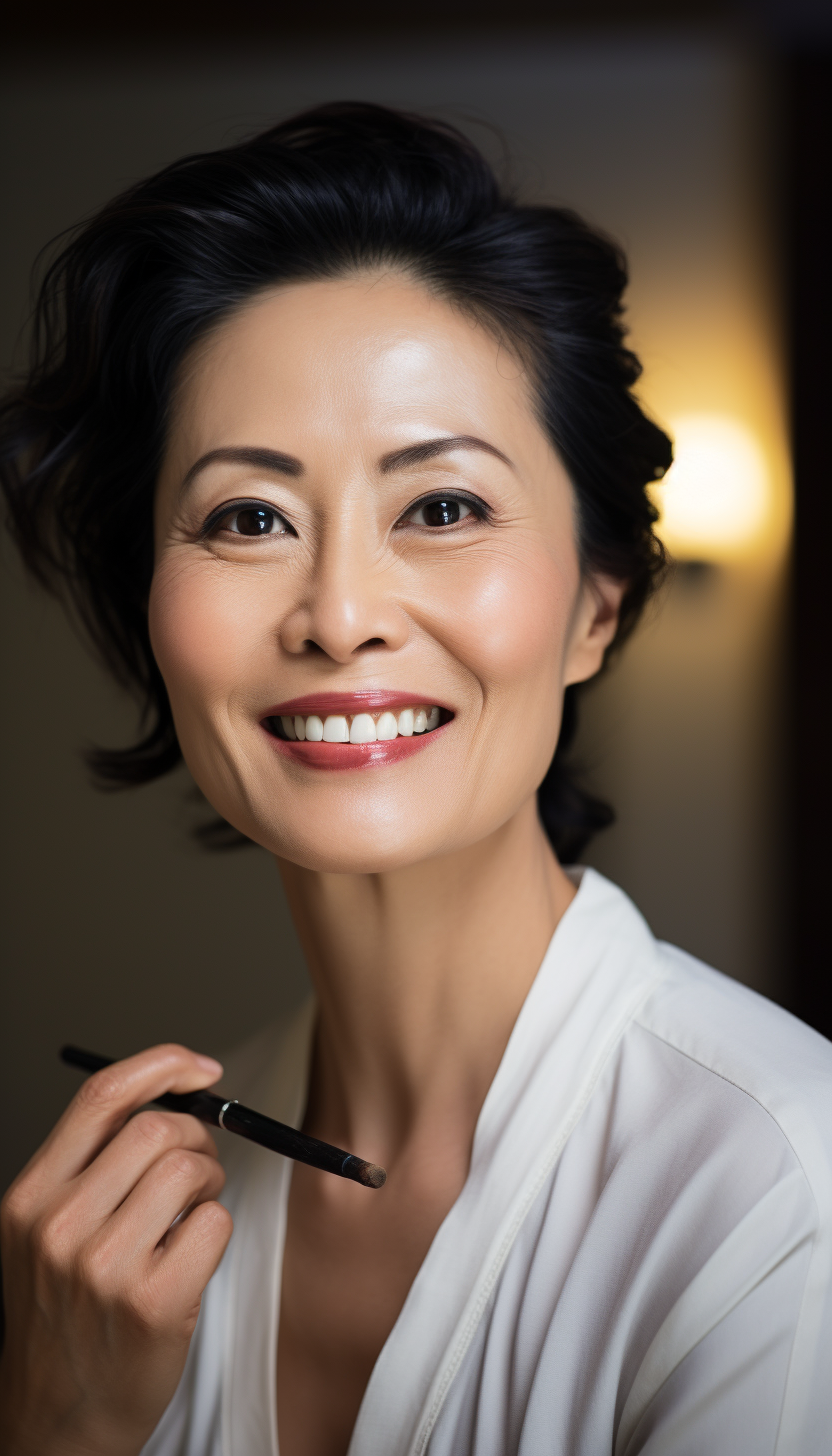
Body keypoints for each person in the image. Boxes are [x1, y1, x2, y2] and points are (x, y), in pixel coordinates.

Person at [0, 103, 830, 1456]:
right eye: (248, 518)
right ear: (151, 617)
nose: (339, 613)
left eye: (440, 508)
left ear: (595, 608)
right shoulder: (124, 1236)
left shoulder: (775, 1188)